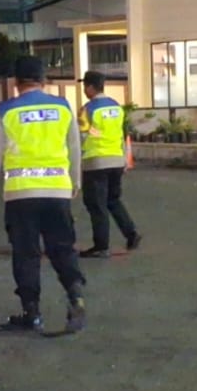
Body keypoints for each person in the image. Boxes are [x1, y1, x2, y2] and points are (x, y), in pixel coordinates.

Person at [0, 56, 88, 334]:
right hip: (57, 191)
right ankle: (76, 296)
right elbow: (73, 147)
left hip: (21, 195)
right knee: (62, 247)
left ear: (16, 82)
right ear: (43, 80)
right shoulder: (62, 107)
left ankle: (32, 313)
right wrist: (74, 181)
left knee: (26, 254)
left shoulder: (6, 110)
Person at [76, 70, 142, 258]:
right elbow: (121, 134)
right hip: (116, 160)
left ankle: (101, 246)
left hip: (96, 161)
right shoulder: (116, 107)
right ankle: (131, 233)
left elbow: (82, 135)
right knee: (113, 200)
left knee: (96, 205)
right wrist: (124, 158)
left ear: (90, 87)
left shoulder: (87, 109)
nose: (84, 90)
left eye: (85, 86)